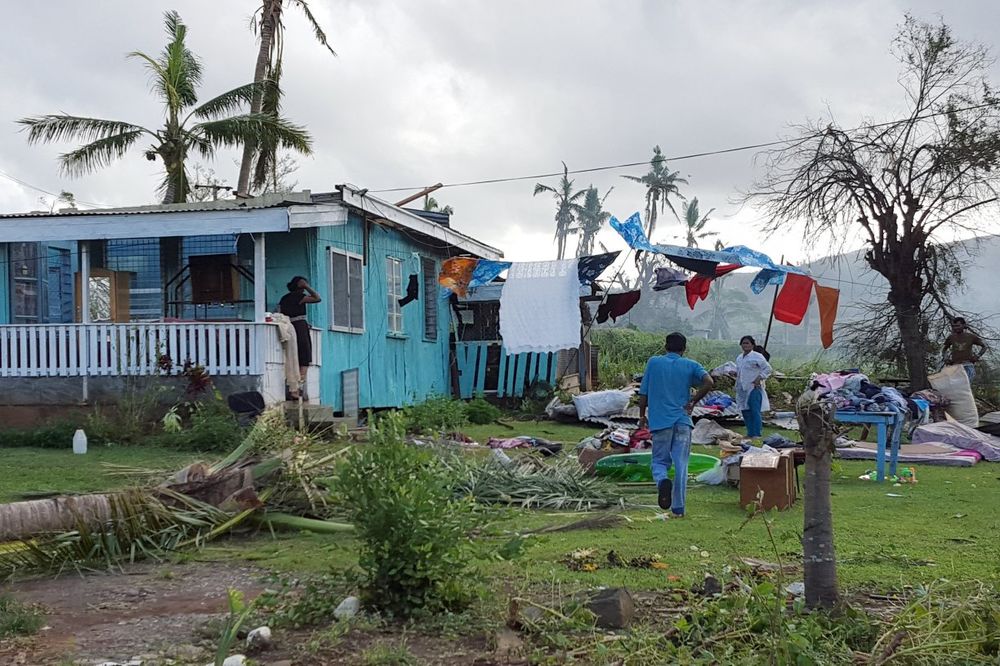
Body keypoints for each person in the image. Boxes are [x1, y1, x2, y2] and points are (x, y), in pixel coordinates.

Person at [637, 332, 714, 517]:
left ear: (666, 346)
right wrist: (694, 400)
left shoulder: (654, 363)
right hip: (682, 420)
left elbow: (643, 393)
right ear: (684, 349)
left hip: (660, 421)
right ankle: (678, 508)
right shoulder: (690, 365)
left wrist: (641, 415)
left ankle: (662, 480)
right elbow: (709, 381)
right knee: (681, 463)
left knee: (659, 461)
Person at [277, 276, 322, 398]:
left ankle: (294, 388)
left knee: (292, 355)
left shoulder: (284, 298)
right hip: (299, 327)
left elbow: (279, 311)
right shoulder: (299, 297)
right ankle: (298, 387)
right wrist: (307, 287)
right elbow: (317, 298)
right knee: (304, 355)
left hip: (288, 325)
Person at [735, 335, 772, 439]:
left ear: (752, 345)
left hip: (753, 387)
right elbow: (740, 372)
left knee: (754, 410)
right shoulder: (739, 358)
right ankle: (750, 432)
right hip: (742, 388)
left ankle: (756, 433)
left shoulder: (757, 356)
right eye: (743, 343)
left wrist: (759, 378)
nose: (745, 345)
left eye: (747, 343)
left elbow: (768, 369)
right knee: (745, 410)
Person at [943, 317, 986, 382]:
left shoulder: (970, 336)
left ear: (964, 325)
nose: (956, 328)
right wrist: (946, 358)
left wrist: (977, 356)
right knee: (957, 387)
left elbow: (984, 347)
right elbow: (944, 349)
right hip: (955, 366)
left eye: (958, 326)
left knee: (966, 386)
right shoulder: (951, 337)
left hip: (967, 365)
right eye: (954, 326)